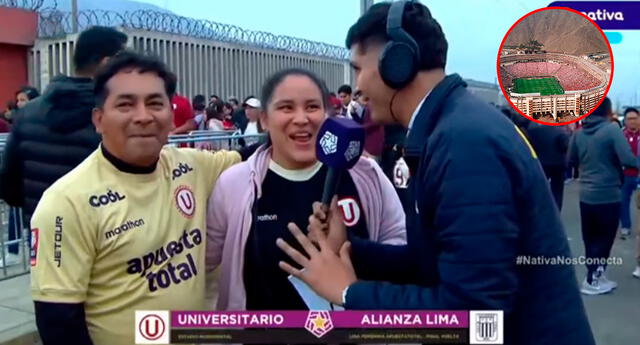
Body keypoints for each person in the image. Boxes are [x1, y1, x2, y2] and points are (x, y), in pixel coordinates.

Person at [275, 2, 595, 345]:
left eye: (357, 69)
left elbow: (475, 316)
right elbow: (432, 263)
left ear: (397, 63)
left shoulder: (464, 143)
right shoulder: (448, 128)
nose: (357, 88)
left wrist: (349, 294)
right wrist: (352, 249)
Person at [29, 51, 244, 345]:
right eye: (126, 104)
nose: (143, 116)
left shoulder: (190, 165)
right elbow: (58, 324)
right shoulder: (65, 203)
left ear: (171, 114)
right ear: (99, 119)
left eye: (155, 103)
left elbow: (248, 159)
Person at [206, 68, 406, 311]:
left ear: (327, 115)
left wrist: (350, 251)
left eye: (312, 107)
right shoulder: (234, 184)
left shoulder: (365, 174)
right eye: (286, 108)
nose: (301, 119)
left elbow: (401, 248)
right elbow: (201, 260)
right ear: (264, 120)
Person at [0, 27, 128, 267]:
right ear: (107, 63)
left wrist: (36, 209)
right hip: (107, 240)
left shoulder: (27, 113)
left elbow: (8, 184)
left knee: (52, 301)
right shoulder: (114, 115)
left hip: (45, 235)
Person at [568, 97, 637, 295]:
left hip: (586, 194)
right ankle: (593, 280)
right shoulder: (612, 130)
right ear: (608, 111)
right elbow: (627, 159)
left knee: (590, 238)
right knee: (605, 238)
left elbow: (571, 160)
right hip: (608, 193)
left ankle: (595, 274)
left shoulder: (579, 133)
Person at [525, 122, 569, 211]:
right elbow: (564, 146)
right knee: (557, 189)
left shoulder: (533, 129)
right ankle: (556, 210)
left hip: (541, 163)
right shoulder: (559, 130)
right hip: (558, 163)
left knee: (541, 187)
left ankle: (541, 208)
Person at [620, 107, 640, 238]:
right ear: (625, 121)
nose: (632, 121)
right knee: (623, 201)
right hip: (625, 175)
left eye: (634, 118)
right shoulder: (620, 135)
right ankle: (625, 226)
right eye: (629, 119)